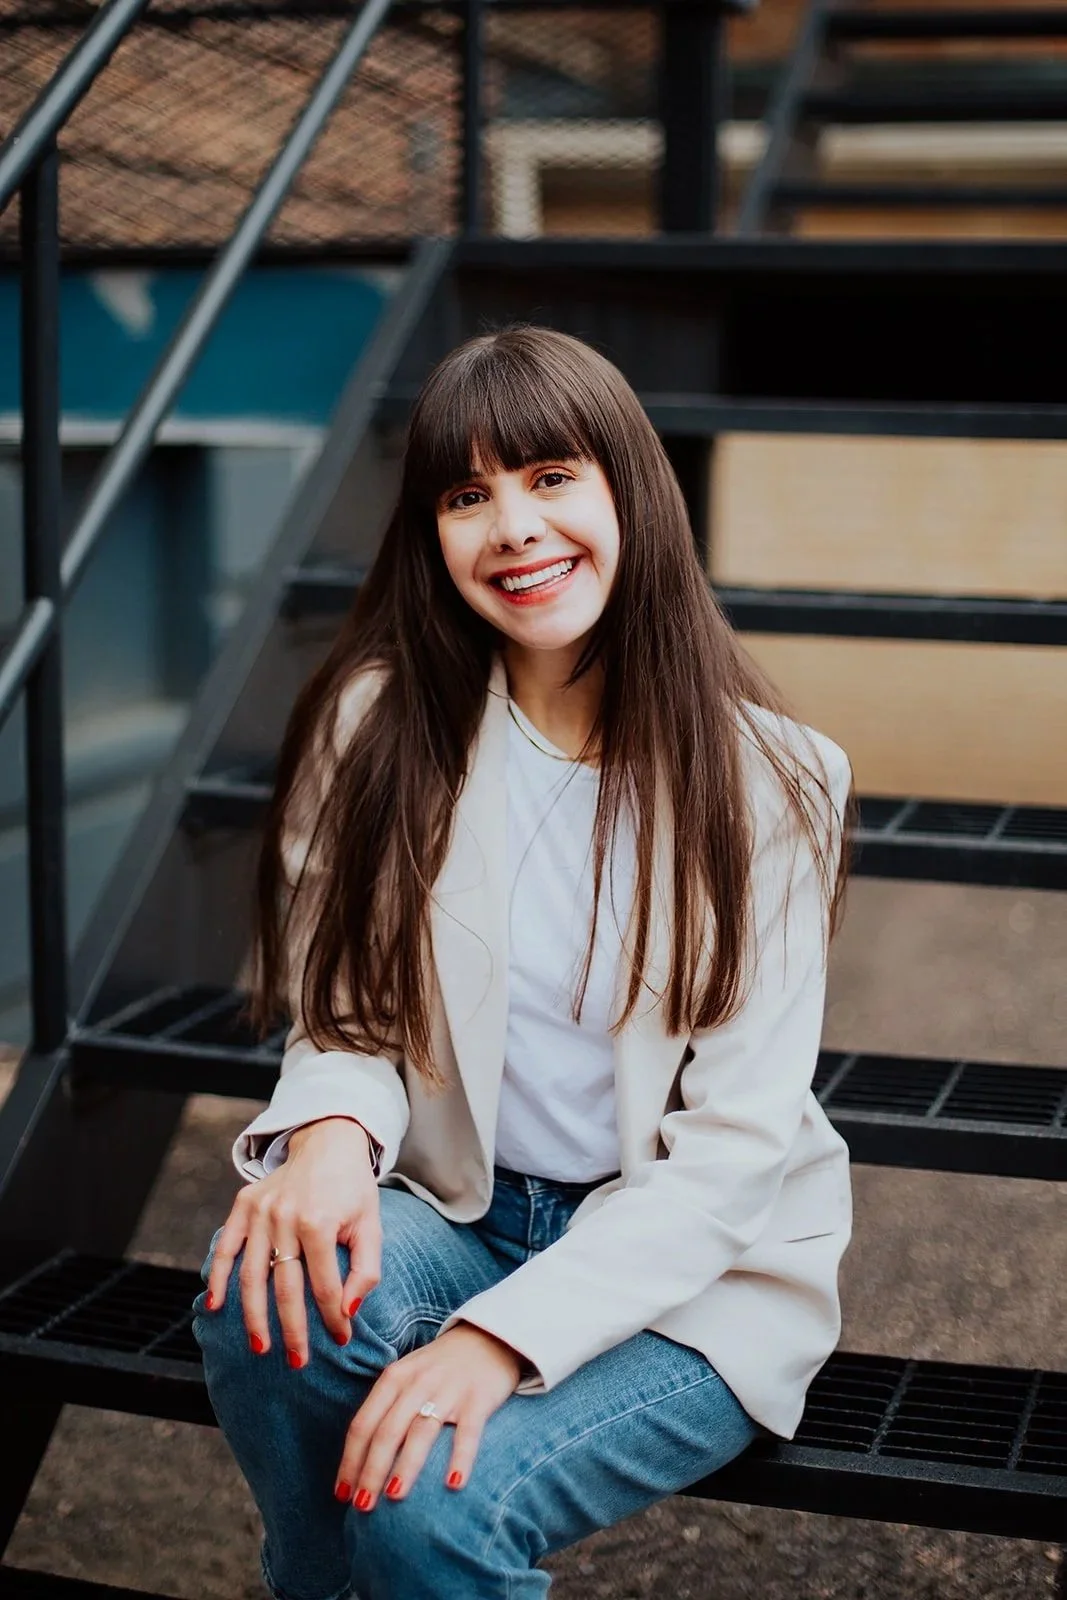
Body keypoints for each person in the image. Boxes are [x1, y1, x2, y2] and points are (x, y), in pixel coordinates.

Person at [192, 323, 856, 1600]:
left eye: (550, 477)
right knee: (262, 1299)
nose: (511, 527)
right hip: (465, 1204)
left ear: (628, 490)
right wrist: (328, 1128)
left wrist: (500, 1340)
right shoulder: (377, 726)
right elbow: (348, 1006)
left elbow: (730, 1158)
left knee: (433, 1517)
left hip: (697, 1273)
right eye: (465, 493)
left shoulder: (775, 780)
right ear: (430, 533)